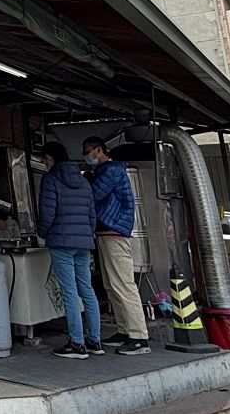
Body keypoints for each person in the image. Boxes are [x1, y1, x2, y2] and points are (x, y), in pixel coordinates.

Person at [35, 140, 101, 358]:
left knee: (69, 292)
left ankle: (76, 343)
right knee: (87, 289)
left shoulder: (51, 179)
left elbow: (47, 212)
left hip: (61, 241)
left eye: (44, 159)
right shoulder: (83, 182)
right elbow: (92, 215)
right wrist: (86, 236)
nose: (44, 163)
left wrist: (42, 233)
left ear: (50, 158)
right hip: (83, 243)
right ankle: (95, 340)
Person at [83, 136, 148, 355]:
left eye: (87, 151)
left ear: (98, 150)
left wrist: (85, 180)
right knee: (112, 284)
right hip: (106, 231)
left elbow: (94, 195)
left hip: (115, 231)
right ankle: (124, 330)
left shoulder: (110, 171)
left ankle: (139, 336)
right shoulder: (106, 171)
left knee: (123, 284)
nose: (86, 156)